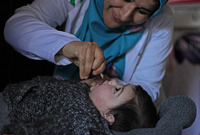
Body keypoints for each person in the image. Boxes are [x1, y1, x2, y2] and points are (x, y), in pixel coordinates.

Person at [4, 0, 174, 102]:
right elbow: (15, 27)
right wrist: (68, 46)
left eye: (142, 11)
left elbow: (147, 90)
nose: (125, 15)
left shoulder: (160, 21)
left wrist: (107, 85)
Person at [0, 76, 158, 135]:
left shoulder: (86, 124)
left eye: (116, 90)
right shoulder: (87, 100)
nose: (113, 81)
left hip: (10, 113)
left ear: (108, 116)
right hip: (14, 97)